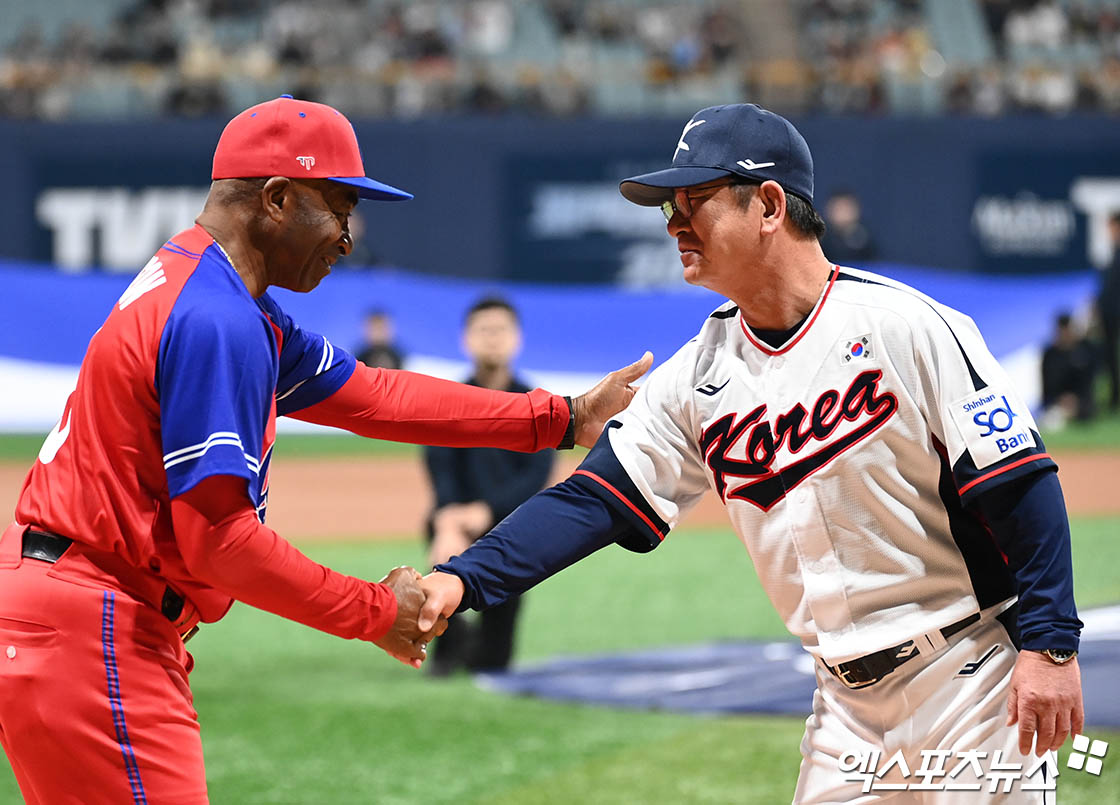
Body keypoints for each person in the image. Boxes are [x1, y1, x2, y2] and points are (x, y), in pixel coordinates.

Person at [0, 95, 652, 803]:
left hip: (67, 613)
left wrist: (562, 417)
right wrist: (376, 610)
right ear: (277, 198)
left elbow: (375, 396)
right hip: (93, 622)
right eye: (339, 209)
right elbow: (221, 544)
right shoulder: (217, 320)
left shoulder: (219, 291)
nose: (348, 238)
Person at [418, 104, 1083, 802]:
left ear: (769, 205)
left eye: (694, 201)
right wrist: (463, 580)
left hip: (968, 677)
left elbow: (1020, 486)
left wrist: (1051, 643)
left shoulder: (908, 327)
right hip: (843, 705)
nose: (673, 223)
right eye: (669, 206)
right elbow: (591, 499)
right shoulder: (696, 376)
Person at [423, 297, 555, 675]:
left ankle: (479, 645)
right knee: (443, 555)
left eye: (501, 330)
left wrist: (486, 511)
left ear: (517, 339)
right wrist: (449, 518)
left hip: (512, 523)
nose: (492, 339)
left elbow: (534, 478)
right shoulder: (445, 402)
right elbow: (439, 466)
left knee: (496, 662)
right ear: (466, 339)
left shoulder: (538, 405)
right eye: (483, 330)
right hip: (455, 519)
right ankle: (447, 643)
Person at [1041, 311, 1097, 429]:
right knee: (1052, 419)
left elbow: (1089, 381)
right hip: (1057, 402)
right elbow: (1046, 383)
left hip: (1081, 402)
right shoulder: (1050, 354)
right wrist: (1059, 399)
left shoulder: (1085, 349)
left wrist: (1076, 399)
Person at [1097, 211, 1120, 412]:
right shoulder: (1113, 252)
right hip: (1109, 314)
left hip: (1115, 313)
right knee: (1109, 356)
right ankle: (1114, 397)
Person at [821, 189, 877, 265]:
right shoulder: (820, 241)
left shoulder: (865, 240)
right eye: (839, 208)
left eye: (846, 208)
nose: (843, 214)